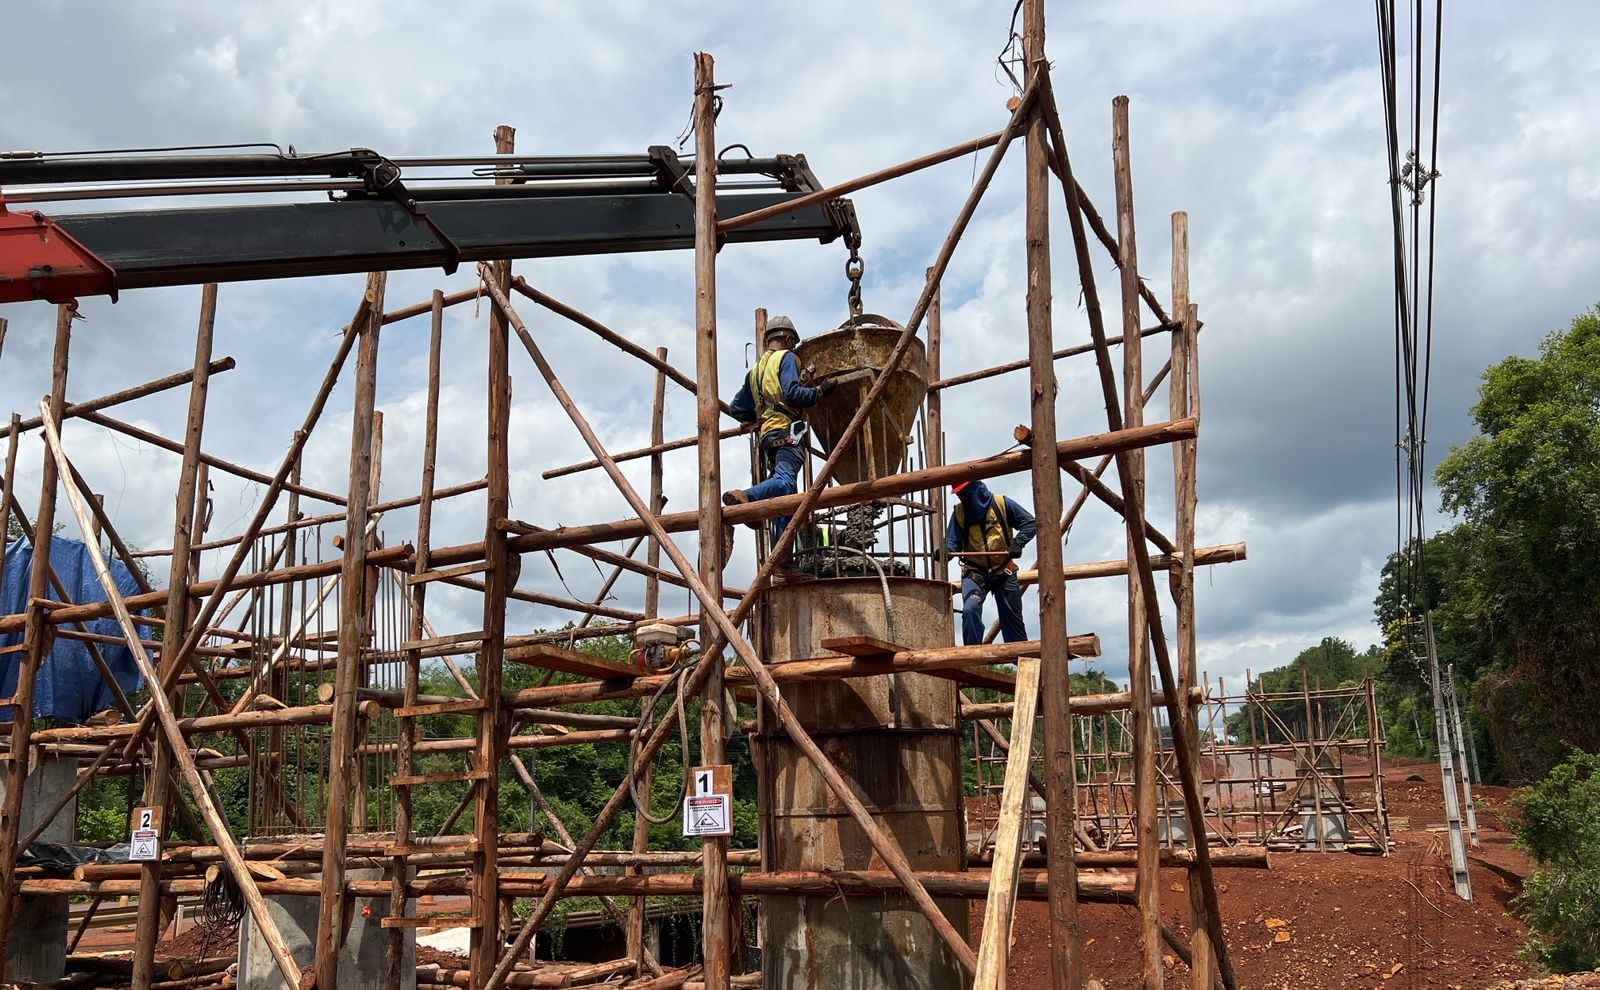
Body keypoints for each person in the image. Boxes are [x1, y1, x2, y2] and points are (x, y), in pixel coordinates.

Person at [723, 316, 836, 544]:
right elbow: (792, 393)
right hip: (786, 432)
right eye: (792, 342)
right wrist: (819, 392)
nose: (794, 347)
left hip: (768, 436)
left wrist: (757, 418)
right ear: (787, 339)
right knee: (784, 482)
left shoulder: (755, 372)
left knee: (787, 500)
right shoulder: (787, 358)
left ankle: (783, 560)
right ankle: (748, 496)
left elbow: (736, 408)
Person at [945, 480, 1036, 645]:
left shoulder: (1001, 504)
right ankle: (972, 656)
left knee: (1011, 615)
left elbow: (1029, 524)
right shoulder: (960, 512)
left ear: (975, 490)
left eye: (963, 493)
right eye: (958, 494)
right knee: (970, 609)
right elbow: (952, 541)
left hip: (1004, 570)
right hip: (975, 572)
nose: (961, 497)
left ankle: (1019, 656)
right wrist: (946, 551)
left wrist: (1018, 543)